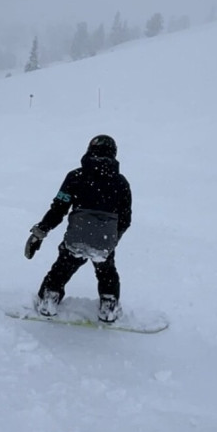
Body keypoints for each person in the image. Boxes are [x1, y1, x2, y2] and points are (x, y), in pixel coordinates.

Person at [24, 134, 132, 322]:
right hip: (104, 241)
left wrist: (40, 232)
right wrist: (113, 239)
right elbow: (125, 218)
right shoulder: (121, 183)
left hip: (76, 237)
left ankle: (49, 298)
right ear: (114, 153)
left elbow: (58, 208)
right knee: (106, 271)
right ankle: (108, 304)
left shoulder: (76, 176)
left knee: (62, 268)